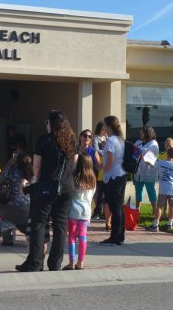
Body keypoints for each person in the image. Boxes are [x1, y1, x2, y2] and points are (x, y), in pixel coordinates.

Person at [16, 110, 78, 271]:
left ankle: (35, 263)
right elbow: (74, 165)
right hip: (67, 188)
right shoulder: (72, 141)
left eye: (47, 122)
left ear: (51, 124)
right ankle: (55, 263)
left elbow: (36, 166)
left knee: (38, 224)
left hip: (47, 187)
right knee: (60, 225)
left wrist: (34, 181)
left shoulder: (44, 140)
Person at [64, 154, 96, 270]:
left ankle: (71, 262)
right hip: (86, 211)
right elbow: (91, 196)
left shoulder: (74, 177)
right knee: (83, 237)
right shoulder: (92, 179)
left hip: (73, 209)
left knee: (72, 237)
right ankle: (80, 262)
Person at [99, 115, 126, 246]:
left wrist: (103, 170)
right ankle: (120, 235)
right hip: (121, 175)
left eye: (104, 124)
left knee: (114, 207)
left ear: (109, 126)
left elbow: (110, 160)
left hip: (113, 177)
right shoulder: (120, 139)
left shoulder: (110, 141)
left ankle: (115, 236)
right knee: (119, 207)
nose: (103, 127)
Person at [147, 145, 173, 232]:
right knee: (172, 207)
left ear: (166, 154)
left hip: (163, 189)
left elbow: (152, 167)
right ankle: (170, 224)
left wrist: (148, 161)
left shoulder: (160, 163)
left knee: (159, 206)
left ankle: (155, 225)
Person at [0, 152, 33, 233]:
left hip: (10, 209)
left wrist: (9, 163)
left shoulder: (12, 170)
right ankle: (27, 233)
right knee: (25, 224)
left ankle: (8, 237)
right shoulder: (33, 172)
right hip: (28, 210)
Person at [134, 126, 159, 213]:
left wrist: (137, 149)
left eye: (142, 132)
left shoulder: (153, 143)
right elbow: (134, 153)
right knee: (138, 191)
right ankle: (137, 211)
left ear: (147, 133)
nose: (140, 134)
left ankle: (155, 210)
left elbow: (148, 153)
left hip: (149, 172)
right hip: (138, 172)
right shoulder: (138, 142)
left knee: (151, 191)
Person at [91, 121, 108, 222]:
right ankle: (97, 211)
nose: (105, 131)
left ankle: (100, 211)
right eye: (103, 129)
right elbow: (95, 150)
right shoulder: (96, 139)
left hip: (105, 167)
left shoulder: (107, 138)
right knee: (98, 190)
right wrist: (106, 153)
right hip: (97, 166)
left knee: (103, 190)